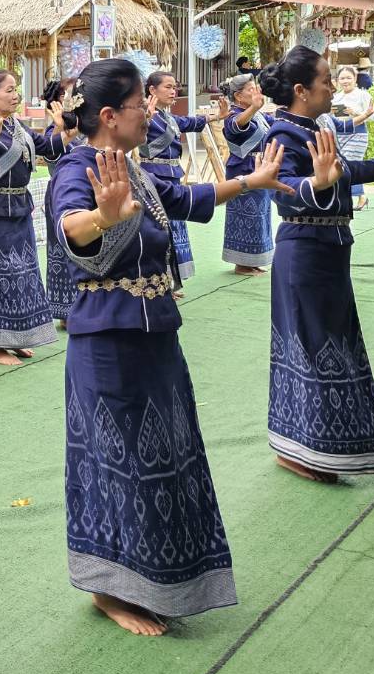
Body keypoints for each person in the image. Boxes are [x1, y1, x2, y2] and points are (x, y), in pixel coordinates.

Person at [46, 59, 292, 636]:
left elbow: (183, 198)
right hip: (109, 342)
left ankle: (158, 577)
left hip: (156, 332)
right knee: (119, 463)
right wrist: (101, 219)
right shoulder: (77, 170)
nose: (151, 110)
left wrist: (250, 182)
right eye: (141, 104)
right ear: (109, 116)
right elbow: (70, 225)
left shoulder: (131, 167)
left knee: (163, 454)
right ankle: (112, 589)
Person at [262, 47, 374, 481]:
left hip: (329, 249)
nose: (333, 88)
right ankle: (299, 450)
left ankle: (316, 447)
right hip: (305, 252)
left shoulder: (314, 128)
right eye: (327, 81)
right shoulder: (282, 135)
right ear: (300, 90)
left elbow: (343, 171)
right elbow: (283, 189)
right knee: (312, 348)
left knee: (331, 345)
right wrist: (317, 181)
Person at [0, 70, 69, 365]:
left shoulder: (17, 127)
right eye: (9, 90)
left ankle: (18, 337)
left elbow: (48, 148)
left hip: (19, 207)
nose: (15, 94)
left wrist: (61, 129)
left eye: (16, 89)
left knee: (23, 273)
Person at [139, 71, 230, 292]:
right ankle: (161, 281)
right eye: (168, 87)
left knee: (174, 228)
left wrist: (218, 116)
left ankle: (171, 280)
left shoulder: (168, 117)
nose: (174, 91)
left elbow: (189, 122)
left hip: (173, 177)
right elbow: (135, 135)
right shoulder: (142, 115)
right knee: (160, 229)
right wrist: (145, 119)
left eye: (175, 87)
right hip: (154, 176)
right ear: (152, 90)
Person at [218, 73, 274, 274]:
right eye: (251, 89)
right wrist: (255, 108)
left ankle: (252, 260)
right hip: (242, 170)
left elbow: (276, 122)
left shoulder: (258, 114)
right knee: (246, 214)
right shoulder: (233, 115)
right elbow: (237, 125)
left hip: (260, 167)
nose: (256, 92)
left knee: (260, 214)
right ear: (238, 96)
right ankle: (242, 263)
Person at [41, 77, 84, 327]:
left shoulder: (85, 128)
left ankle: (84, 306)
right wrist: (59, 129)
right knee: (63, 251)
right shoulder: (52, 132)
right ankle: (67, 312)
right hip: (62, 193)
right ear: (60, 102)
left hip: (85, 194)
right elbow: (51, 156)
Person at [331, 65, 374, 211]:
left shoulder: (363, 95)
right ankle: (361, 196)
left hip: (358, 133)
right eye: (342, 78)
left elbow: (373, 116)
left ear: (355, 78)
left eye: (348, 78)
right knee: (344, 164)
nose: (345, 81)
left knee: (349, 164)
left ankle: (348, 197)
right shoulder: (336, 97)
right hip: (340, 134)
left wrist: (355, 112)